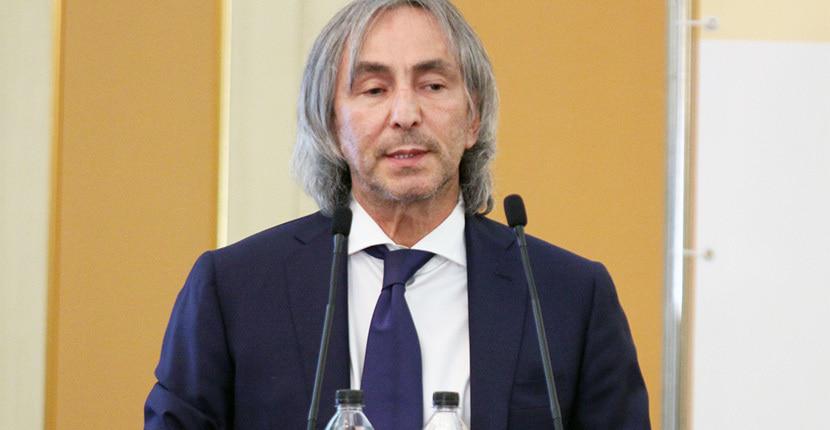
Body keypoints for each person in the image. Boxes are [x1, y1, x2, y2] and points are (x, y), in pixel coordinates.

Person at [144, 0, 650, 429]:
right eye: (374, 89)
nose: (405, 114)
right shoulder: (234, 290)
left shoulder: (568, 297)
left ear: (473, 117)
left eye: (433, 86)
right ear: (331, 124)